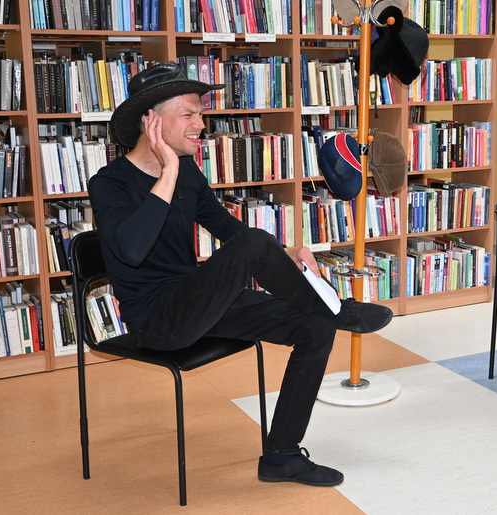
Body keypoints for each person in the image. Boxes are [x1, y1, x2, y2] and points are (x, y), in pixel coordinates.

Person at [88, 62, 394, 486]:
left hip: (199, 301)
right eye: (189, 114)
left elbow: (226, 228)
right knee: (257, 246)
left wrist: (287, 254)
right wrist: (168, 171)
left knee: (315, 327)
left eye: (200, 114)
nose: (201, 124)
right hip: (157, 321)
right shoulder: (109, 183)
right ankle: (337, 308)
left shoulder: (188, 172)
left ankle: (281, 457)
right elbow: (132, 250)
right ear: (150, 121)